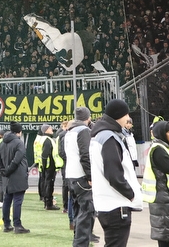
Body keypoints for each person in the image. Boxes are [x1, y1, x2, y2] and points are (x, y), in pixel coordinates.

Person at [90, 98, 142, 247]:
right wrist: (130, 194)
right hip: (115, 205)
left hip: (108, 204)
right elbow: (113, 174)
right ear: (118, 115)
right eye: (126, 114)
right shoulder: (109, 138)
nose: (128, 118)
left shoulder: (101, 135)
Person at [63, 106, 98, 247]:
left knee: (78, 210)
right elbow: (85, 155)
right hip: (81, 176)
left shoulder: (69, 132)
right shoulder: (84, 131)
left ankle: (77, 240)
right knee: (87, 211)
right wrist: (90, 176)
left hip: (71, 175)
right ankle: (80, 243)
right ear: (88, 118)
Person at [0, 122, 30, 234]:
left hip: (6, 177)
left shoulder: (2, 143)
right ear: (19, 132)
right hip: (18, 175)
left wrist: (3, 171)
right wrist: (9, 170)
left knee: (7, 200)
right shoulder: (19, 143)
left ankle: (6, 224)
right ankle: (17, 225)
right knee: (17, 201)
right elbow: (17, 160)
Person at [37, 124, 61, 210]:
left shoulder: (41, 139)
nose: (52, 129)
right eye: (50, 128)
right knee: (49, 184)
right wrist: (44, 165)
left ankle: (46, 202)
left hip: (44, 165)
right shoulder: (48, 140)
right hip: (49, 165)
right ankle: (49, 203)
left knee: (45, 183)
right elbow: (45, 154)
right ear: (46, 130)